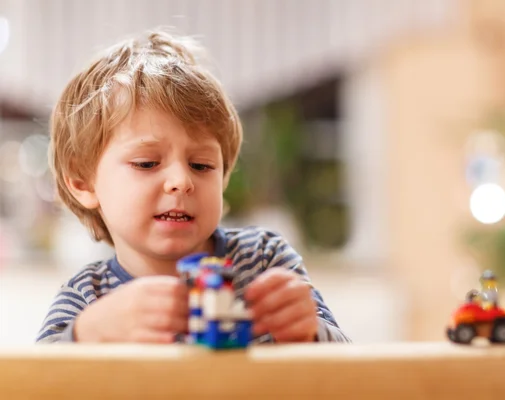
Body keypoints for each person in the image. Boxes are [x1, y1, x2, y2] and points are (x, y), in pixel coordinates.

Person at [36, 30, 350, 344]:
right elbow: (32, 387)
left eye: (201, 165)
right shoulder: (86, 297)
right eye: (147, 163)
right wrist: (88, 334)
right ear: (82, 183)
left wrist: (309, 331)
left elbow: (350, 369)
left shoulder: (263, 260)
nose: (182, 182)